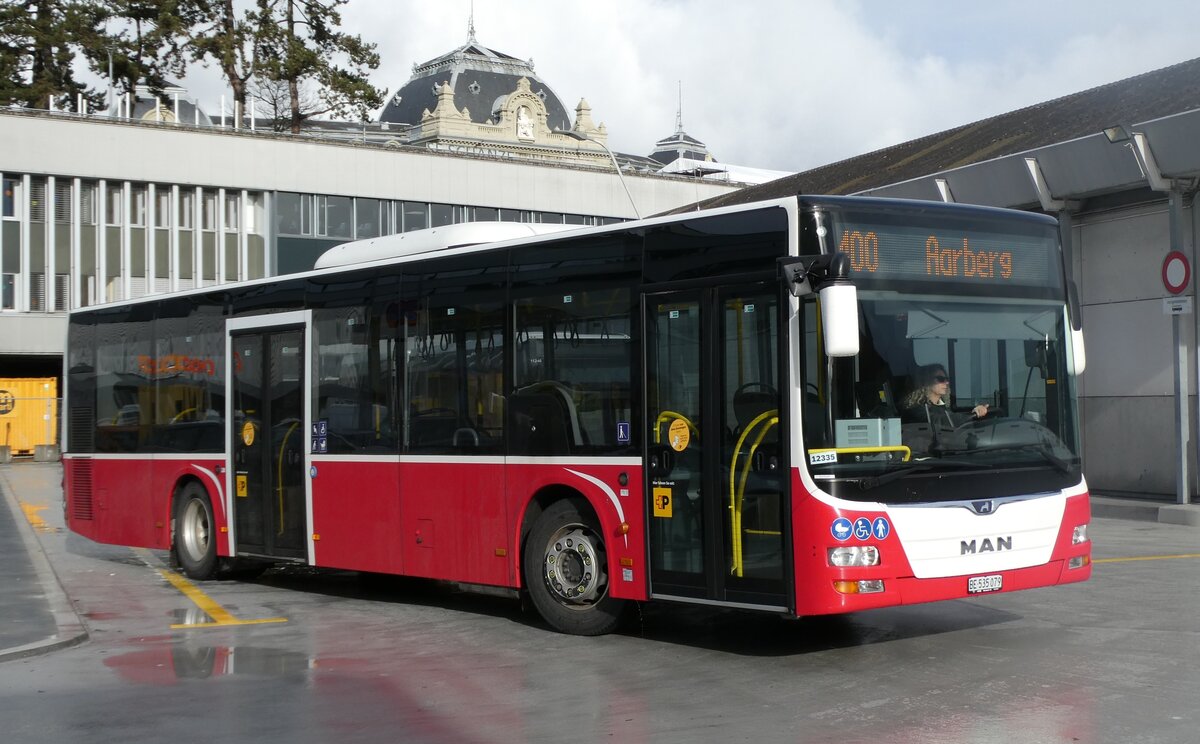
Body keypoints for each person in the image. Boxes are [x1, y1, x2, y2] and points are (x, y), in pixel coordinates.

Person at [901, 364, 989, 429]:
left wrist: (977, 412)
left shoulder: (944, 407)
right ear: (926, 381)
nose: (946, 383)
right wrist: (973, 414)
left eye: (947, 379)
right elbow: (939, 422)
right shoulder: (916, 410)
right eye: (941, 379)